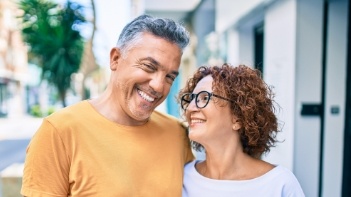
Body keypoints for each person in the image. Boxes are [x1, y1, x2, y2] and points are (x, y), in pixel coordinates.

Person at [21, 14, 194, 197]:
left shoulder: (177, 133)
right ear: (115, 59)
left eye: (170, 77)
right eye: (149, 67)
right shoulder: (58, 132)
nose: (158, 86)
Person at [178, 64, 305, 197]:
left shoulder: (279, 184)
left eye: (204, 98)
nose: (191, 108)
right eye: (191, 99)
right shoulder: (182, 178)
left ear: (237, 118)